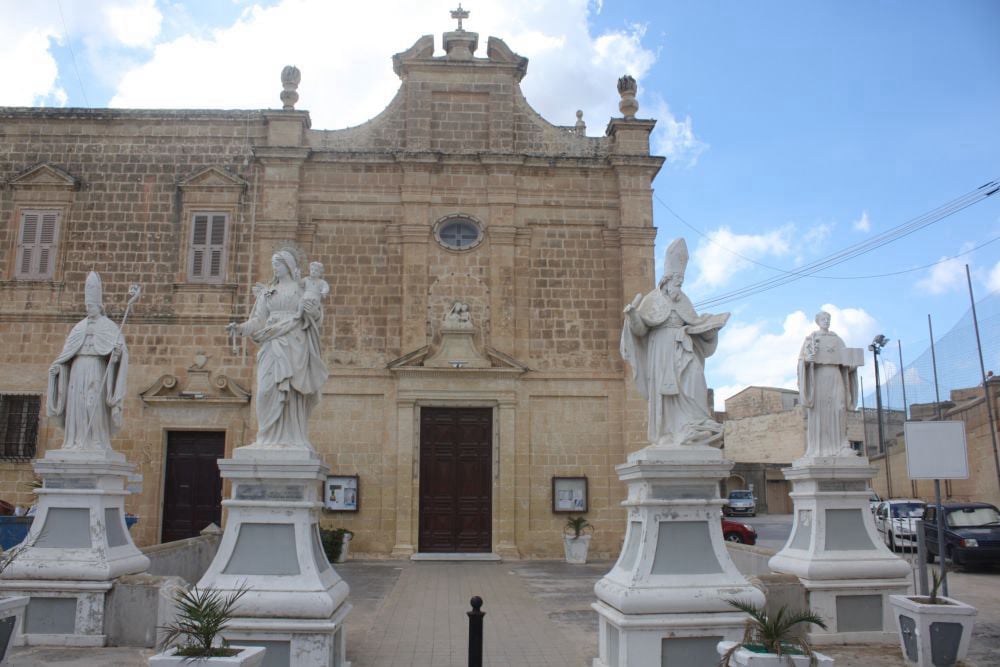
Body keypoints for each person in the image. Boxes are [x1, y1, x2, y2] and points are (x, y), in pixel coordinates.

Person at [621, 238, 729, 448]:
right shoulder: (652, 300)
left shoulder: (684, 301)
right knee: (664, 392)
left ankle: (694, 424)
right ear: (667, 281)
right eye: (677, 283)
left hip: (683, 348)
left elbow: (695, 324)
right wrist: (633, 315)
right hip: (660, 350)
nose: (679, 288)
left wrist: (710, 328)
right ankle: (667, 432)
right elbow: (640, 330)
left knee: (695, 376)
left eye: (681, 283)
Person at [227, 250, 328, 449]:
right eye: (273, 264)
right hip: (270, 343)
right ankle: (266, 437)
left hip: (294, 342)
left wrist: (312, 310)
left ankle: (292, 438)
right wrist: (239, 329)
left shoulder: (301, 288)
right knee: (265, 389)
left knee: (291, 391)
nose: (275, 268)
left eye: (279, 264)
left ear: (288, 266)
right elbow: (257, 321)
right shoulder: (267, 292)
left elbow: (315, 315)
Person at [47, 272, 128, 451]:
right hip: (77, 370)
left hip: (96, 368)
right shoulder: (79, 327)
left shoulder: (108, 326)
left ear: (99, 306)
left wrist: (116, 355)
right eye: (87, 305)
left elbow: (119, 352)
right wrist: (57, 369)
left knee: (93, 403)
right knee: (77, 405)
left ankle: (97, 440)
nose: (89, 309)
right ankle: (75, 441)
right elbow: (66, 355)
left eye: (92, 306)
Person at [798, 310, 861, 458]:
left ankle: (842, 444)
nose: (826, 321)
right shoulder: (811, 339)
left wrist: (854, 364)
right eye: (823, 318)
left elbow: (847, 364)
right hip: (819, 376)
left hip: (836, 375)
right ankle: (819, 448)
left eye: (828, 318)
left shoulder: (838, 340)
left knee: (839, 408)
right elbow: (802, 363)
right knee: (820, 410)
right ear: (818, 321)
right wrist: (808, 360)